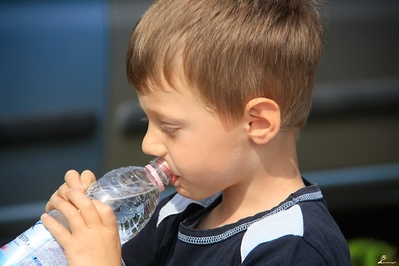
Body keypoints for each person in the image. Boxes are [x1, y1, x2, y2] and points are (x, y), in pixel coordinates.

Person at [41, 0, 351, 265]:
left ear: (257, 123)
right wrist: (70, 237)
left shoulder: (292, 247)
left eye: (170, 127)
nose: (149, 143)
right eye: (146, 121)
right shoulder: (177, 212)